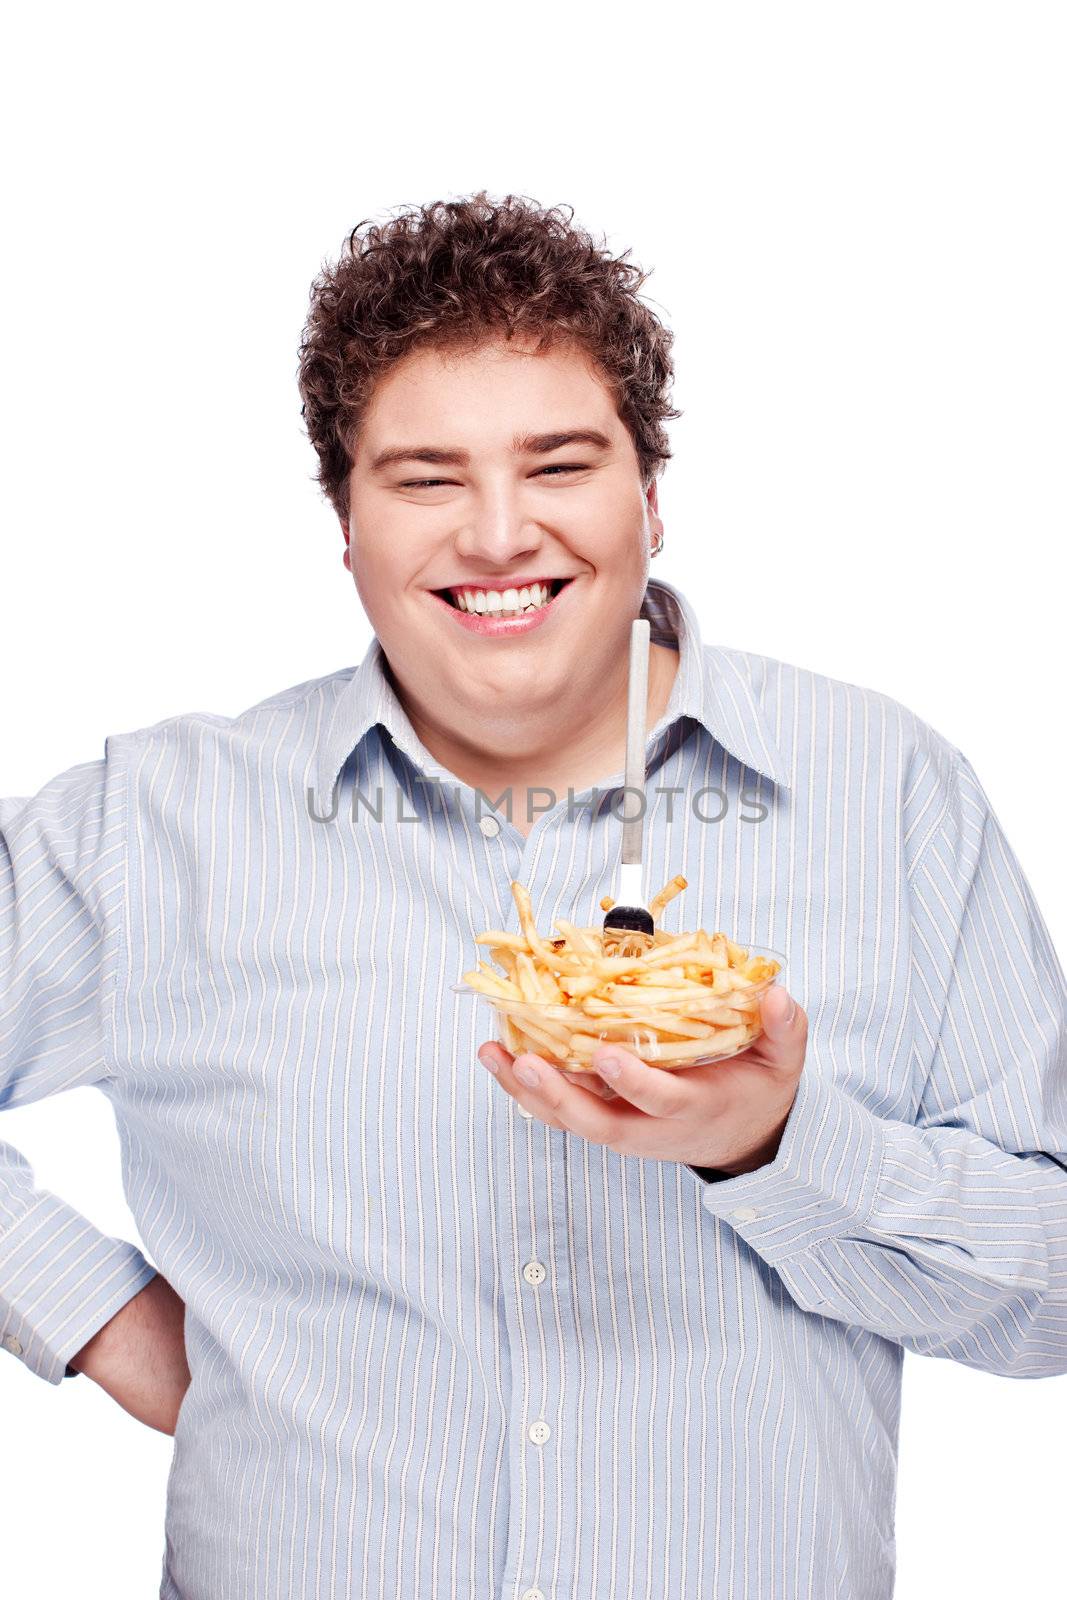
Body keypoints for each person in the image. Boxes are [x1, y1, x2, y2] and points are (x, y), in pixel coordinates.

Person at [1, 191, 1064, 1600]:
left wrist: (776, 1149)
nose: (499, 535)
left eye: (559, 464)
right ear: (346, 525)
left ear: (651, 496)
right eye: (426, 478)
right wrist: (102, 1319)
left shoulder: (890, 794)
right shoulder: (156, 825)